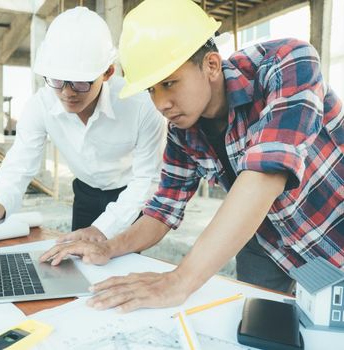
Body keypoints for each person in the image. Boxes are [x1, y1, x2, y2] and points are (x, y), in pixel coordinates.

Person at [40, 0, 344, 312]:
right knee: (258, 329)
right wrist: (108, 247)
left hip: (332, 233)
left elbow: (265, 175)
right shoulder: (183, 132)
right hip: (265, 243)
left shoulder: (287, 64)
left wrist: (179, 280)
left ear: (211, 65)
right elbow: (162, 211)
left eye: (169, 83)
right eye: (151, 90)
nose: (161, 104)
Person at [0, 7, 165, 242]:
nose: (67, 93)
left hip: (130, 196)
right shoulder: (40, 105)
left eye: (80, 83)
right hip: (85, 194)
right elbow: (19, 165)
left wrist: (103, 230)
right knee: (79, 263)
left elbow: (146, 180)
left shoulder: (141, 106)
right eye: (57, 80)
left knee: (123, 266)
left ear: (107, 72)